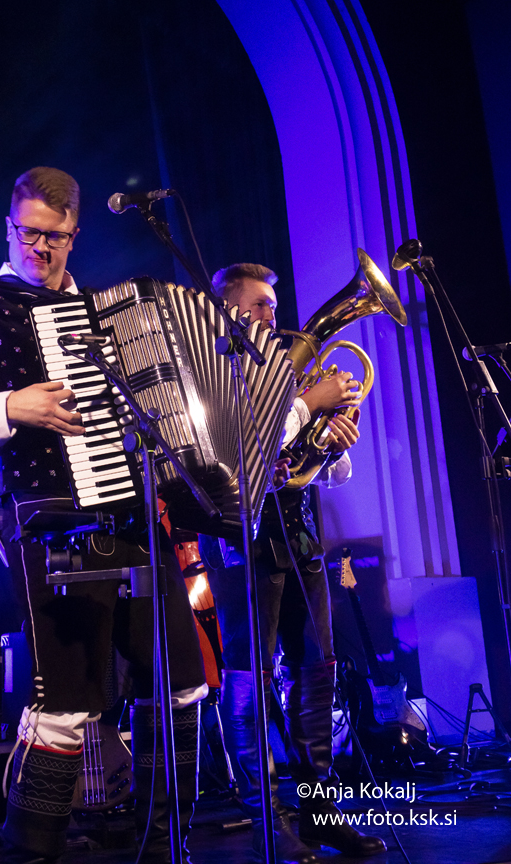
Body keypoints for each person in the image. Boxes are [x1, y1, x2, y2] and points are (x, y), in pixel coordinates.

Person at [0, 167, 207, 863]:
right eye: (29, 233)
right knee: (67, 700)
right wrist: (11, 406)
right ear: (9, 228)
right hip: (52, 526)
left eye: (55, 236)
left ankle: (163, 842)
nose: (40, 248)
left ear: (75, 234)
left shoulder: (112, 313)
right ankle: (31, 850)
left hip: (135, 521)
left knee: (179, 682)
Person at [197, 263, 386, 863]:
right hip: (241, 543)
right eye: (259, 305)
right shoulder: (210, 371)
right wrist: (308, 404)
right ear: (229, 310)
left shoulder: (284, 371)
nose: (272, 317)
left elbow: (311, 468)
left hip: (299, 538)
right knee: (250, 675)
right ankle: (266, 819)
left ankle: (320, 814)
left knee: (316, 670)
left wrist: (333, 443)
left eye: (273, 306)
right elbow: (241, 448)